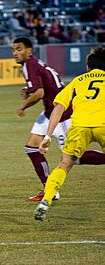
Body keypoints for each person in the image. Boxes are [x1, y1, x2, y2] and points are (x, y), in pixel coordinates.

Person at [12, 37, 105, 202]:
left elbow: (40, 93)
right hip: (50, 111)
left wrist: (23, 106)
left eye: (19, 49)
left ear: (29, 50)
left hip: (61, 113)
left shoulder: (29, 65)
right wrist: (29, 91)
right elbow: (43, 87)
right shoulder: (35, 62)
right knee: (32, 147)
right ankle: (49, 188)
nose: (15, 53)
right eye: (13, 50)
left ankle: (51, 189)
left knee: (72, 159)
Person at [34, 46, 105, 221]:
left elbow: (59, 107)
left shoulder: (78, 81)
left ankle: (46, 200)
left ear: (88, 67)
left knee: (64, 165)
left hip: (79, 126)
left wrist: (48, 136)